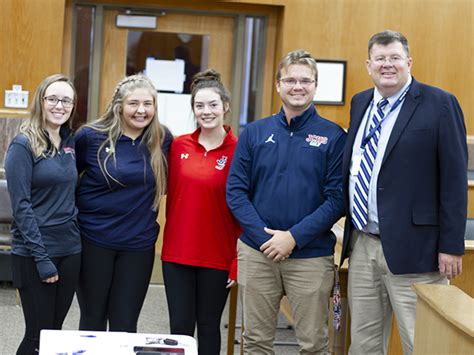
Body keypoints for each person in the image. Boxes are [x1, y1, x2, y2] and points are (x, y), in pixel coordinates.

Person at [340, 30, 467, 354]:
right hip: (364, 245)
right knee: (364, 344)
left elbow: (454, 179)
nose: (387, 65)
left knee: (421, 343)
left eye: (394, 58)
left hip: (418, 251)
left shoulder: (440, 104)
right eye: (380, 59)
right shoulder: (360, 102)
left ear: (408, 62)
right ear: (368, 65)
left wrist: (451, 245)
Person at [227, 49, 346, 354]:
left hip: (310, 256)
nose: (297, 86)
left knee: (313, 344)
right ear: (278, 84)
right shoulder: (254, 132)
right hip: (257, 253)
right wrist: (265, 239)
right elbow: (236, 193)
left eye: (305, 80)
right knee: (254, 341)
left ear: (315, 86)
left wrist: (293, 238)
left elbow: (337, 200)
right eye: (290, 79)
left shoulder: (333, 137)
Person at [75, 74, 173, 332]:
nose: (141, 110)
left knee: (125, 324)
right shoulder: (90, 137)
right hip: (94, 241)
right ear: (119, 105)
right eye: (133, 103)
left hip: (138, 246)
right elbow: (66, 180)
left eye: (148, 104)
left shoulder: (162, 139)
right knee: (92, 321)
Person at [161, 69, 240, 355]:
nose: (206, 112)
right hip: (177, 253)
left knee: (208, 326)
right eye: (199, 106)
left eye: (213, 105)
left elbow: (245, 208)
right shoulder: (179, 145)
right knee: (179, 328)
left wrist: (237, 260)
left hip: (217, 256)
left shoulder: (240, 150)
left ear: (225, 106)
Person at [5, 74, 81, 355]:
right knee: (37, 336)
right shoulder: (23, 145)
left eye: (66, 100)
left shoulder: (70, 142)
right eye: (53, 98)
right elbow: (21, 207)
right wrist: (42, 258)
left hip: (70, 250)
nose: (59, 105)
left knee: (55, 335)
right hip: (35, 253)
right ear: (41, 101)